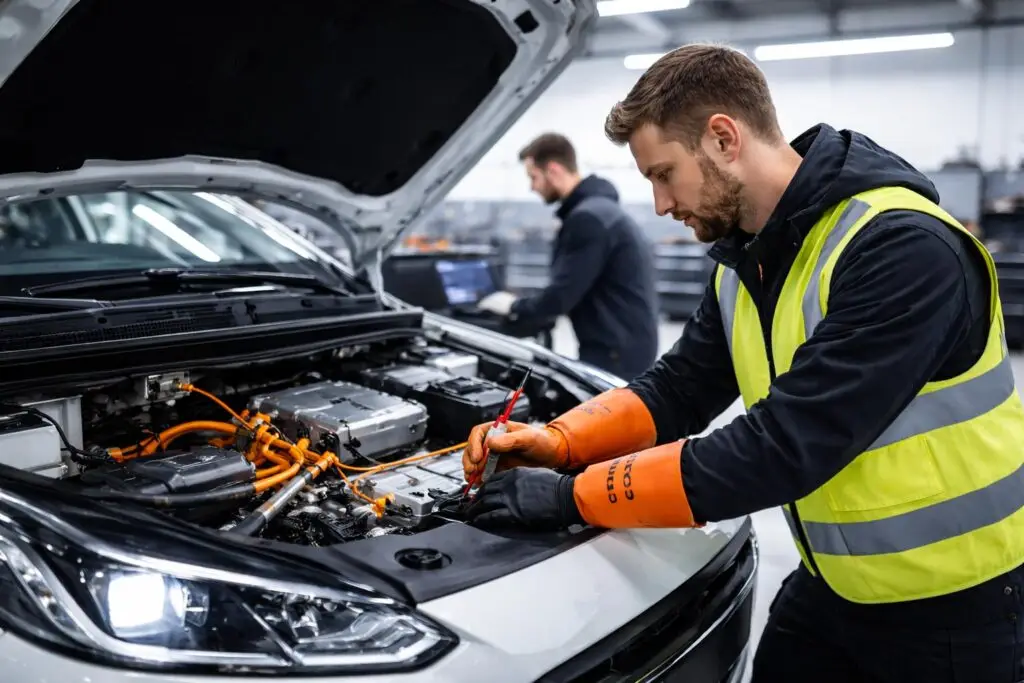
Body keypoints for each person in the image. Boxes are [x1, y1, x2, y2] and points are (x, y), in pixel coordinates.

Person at [462, 44, 1024, 683]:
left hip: (953, 607)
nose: (659, 205)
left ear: (723, 138)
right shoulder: (748, 261)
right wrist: (558, 442)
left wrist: (570, 497)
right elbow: (677, 388)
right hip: (834, 582)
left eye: (663, 173)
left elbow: (781, 447)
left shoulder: (902, 250)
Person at [476, 133, 659, 381]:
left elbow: (562, 295)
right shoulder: (602, 210)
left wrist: (513, 306)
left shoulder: (588, 219)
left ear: (553, 170)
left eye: (533, 177)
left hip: (613, 353)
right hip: (627, 345)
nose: (532, 187)